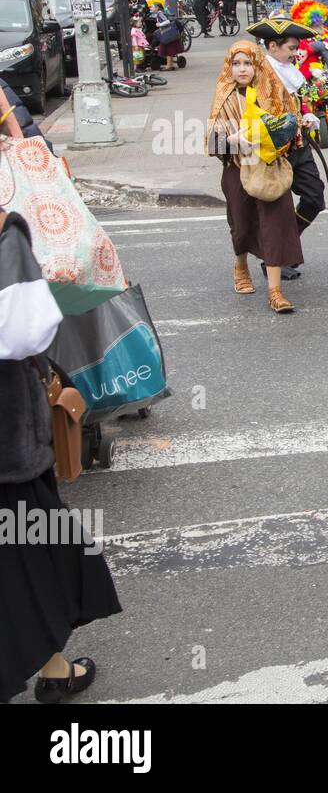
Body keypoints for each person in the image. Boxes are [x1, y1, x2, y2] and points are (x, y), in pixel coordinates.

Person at [0, 209, 122, 704]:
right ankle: (50, 669)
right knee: (35, 552)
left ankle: (54, 668)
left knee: (32, 555)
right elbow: (26, 334)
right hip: (8, 446)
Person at [206, 40, 305, 314]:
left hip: (269, 167)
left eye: (247, 63)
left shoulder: (272, 90)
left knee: (274, 226)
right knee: (240, 225)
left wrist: (273, 135)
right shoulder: (223, 95)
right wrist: (234, 141)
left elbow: (291, 127)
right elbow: (212, 143)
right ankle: (241, 265)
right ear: (229, 67)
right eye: (236, 63)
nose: (242, 69)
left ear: (257, 65)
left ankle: (275, 291)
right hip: (237, 169)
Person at [250, 17, 327, 280]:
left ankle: (283, 250)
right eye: (291, 48)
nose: (296, 53)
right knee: (276, 210)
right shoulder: (259, 74)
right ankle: (274, 258)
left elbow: (299, 97)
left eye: (295, 48)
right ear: (273, 46)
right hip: (274, 151)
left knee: (315, 197)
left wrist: (307, 113)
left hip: (299, 145)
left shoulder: (289, 71)